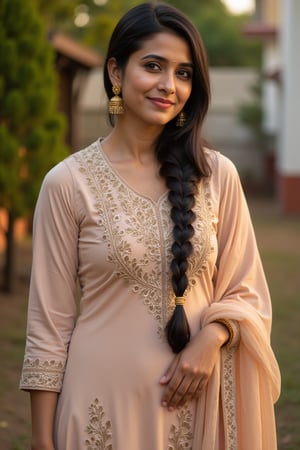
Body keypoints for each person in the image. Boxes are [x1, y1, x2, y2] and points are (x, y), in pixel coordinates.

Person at [20, 2, 281, 449]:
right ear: (116, 73)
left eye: (183, 73)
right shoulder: (68, 183)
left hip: (200, 413)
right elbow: (49, 328)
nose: (168, 85)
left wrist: (213, 337)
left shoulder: (216, 176)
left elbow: (248, 291)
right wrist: (44, 443)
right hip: (98, 414)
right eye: (154, 66)